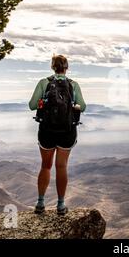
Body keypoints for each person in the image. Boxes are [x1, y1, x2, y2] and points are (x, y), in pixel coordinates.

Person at [28, 55, 86, 215]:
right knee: (61, 167)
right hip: (67, 132)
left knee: (45, 166)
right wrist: (74, 105)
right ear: (66, 67)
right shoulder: (73, 85)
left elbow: (32, 105)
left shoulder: (44, 82)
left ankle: (40, 203)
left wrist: (43, 102)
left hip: (47, 131)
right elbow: (83, 106)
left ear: (52, 67)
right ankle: (60, 205)